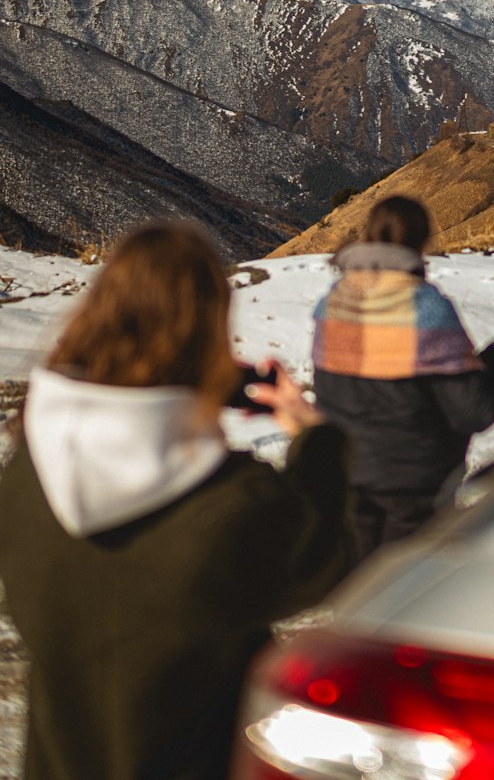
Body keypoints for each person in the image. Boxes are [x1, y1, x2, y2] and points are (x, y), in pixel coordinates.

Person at [0, 221, 350, 780]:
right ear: (209, 335)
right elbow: (330, 556)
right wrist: (316, 440)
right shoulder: (234, 506)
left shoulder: (25, 474)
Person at [312, 194, 494, 561]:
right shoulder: (426, 309)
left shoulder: (334, 303)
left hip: (346, 476)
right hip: (416, 485)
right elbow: (473, 411)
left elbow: (331, 393)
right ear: (423, 242)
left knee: (356, 593)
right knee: (400, 595)